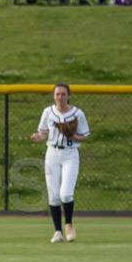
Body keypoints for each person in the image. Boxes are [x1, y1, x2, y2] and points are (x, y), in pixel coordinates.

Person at [30, 84, 90, 243]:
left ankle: (69, 224)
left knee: (66, 194)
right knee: (54, 196)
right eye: (57, 94)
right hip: (52, 154)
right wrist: (38, 137)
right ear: (53, 96)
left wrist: (73, 136)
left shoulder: (77, 113)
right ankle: (57, 231)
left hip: (70, 154)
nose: (60, 97)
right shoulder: (48, 112)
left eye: (63, 94)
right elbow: (44, 132)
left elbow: (84, 136)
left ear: (68, 95)